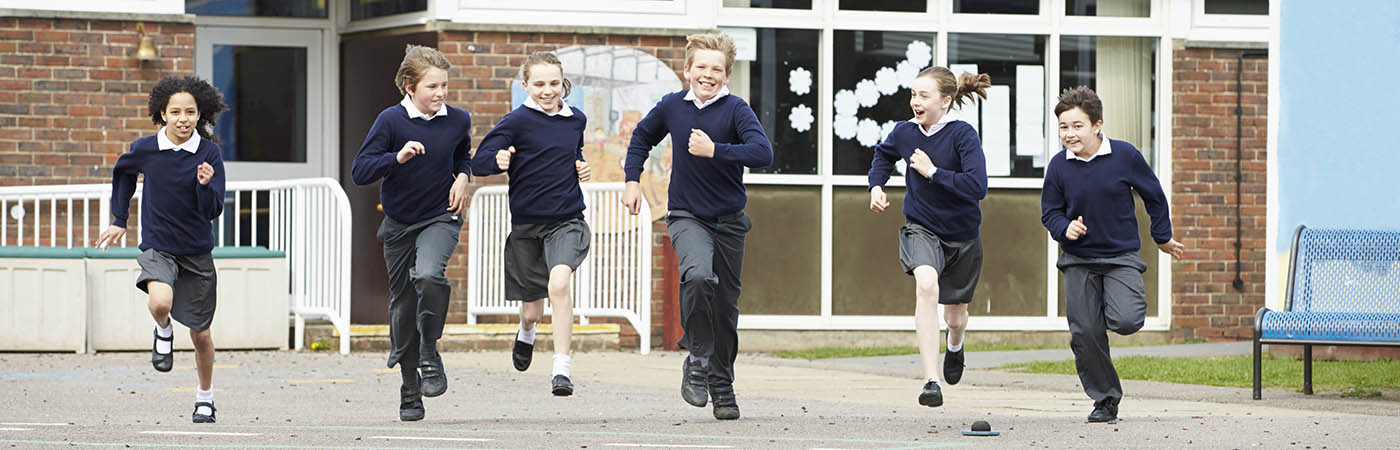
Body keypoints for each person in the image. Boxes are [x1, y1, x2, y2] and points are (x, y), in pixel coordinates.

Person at [620, 31, 772, 420]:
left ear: (727, 74)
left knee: (725, 309)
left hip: (730, 222)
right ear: (687, 70)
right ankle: (698, 359)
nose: (708, 74)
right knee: (699, 276)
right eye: (701, 67)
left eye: (716, 69)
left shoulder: (736, 110)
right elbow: (641, 137)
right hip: (687, 215)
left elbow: (762, 152)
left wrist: (715, 150)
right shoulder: (673, 106)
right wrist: (632, 180)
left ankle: (722, 384)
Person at [1040, 86, 1186, 424]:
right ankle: (1105, 399)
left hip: (1120, 256)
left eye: (1077, 125)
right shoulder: (1059, 166)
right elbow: (1049, 212)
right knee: (1084, 333)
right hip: (1078, 260)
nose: (1069, 134)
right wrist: (1065, 229)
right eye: (1063, 126)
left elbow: (1154, 196)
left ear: (1097, 125)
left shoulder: (1125, 155)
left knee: (1126, 320)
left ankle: (1101, 309)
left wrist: (1162, 236)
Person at [96, 75, 228, 423]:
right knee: (160, 302)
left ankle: (205, 397)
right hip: (159, 245)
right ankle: (163, 329)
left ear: (200, 115)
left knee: (200, 334)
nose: (183, 119)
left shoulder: (208, 153)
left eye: (190, 112)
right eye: (175, 112)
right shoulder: (146, 149)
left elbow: (214, 209)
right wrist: (119, 219)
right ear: (162, 114)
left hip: (197, 251)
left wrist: (203, 185)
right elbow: (123, 173)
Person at [351, 45, 473, 422]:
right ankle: (409, 386)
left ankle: (429, 352)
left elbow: (462, 156)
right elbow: (360, 171)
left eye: (444, 86)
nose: (440, 94)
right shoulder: (391, 121)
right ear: (409, 87)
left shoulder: (458, 119)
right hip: (400, 224)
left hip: (441, 215)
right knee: (403, 303)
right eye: (432, 87)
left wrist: (464, 178)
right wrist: (397, 157)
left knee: (428, 275)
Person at [471, 51, 593, 397]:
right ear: (525, 85)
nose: (547, 90)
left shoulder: (575, 119)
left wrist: (580, 166)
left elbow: (574, 154)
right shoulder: (516, 122)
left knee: (559, 284)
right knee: (532, 310)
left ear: (563, 83)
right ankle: (526, 330)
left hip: (566, 220)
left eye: (554, 83)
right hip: (527, 226)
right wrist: (497, 159)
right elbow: (478, 162)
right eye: (539, 84)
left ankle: (562, 369)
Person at [868, 66, 990, 408]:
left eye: (924, 95)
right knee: (925, 285)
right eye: (913, 94)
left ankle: (956, 342)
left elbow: (977, 186)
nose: (915, 101)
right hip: (921, 227)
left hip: (962, 235)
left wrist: (933, 172)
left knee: (955, 316)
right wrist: (876, 186)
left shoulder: (963, 135)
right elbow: (883, 155)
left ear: (946, 101)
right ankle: (930, 380)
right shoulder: (905, 132)